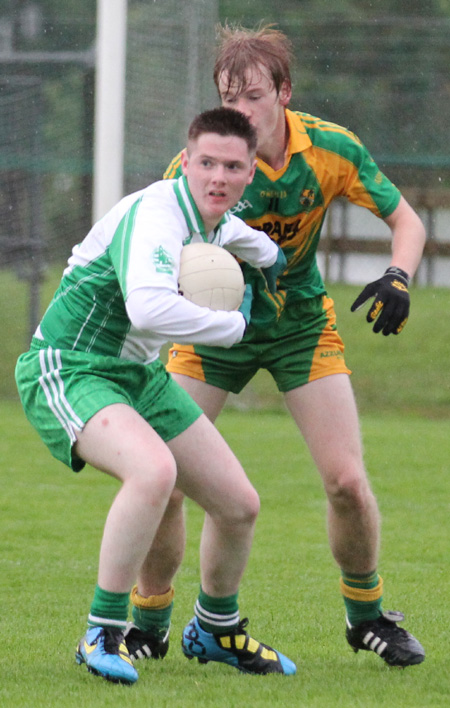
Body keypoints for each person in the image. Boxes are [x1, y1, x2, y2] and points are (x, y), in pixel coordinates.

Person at [128, 25, 427, 669]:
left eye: (252, 98)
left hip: (298, 327)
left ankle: (366, 615)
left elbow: (407, 220)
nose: (238, 113)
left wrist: (399, 275)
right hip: (211, 329)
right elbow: (159, 248)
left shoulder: (329, 151)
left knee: (347, 481)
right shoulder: (196, 167)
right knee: (166, 475)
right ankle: (150, 622)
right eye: (226, 99)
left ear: (284, 94)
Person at [15, 106, 296, 685]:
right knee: (153, 473)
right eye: (207, 163)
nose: (218, 176)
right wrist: (235, 325)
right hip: (69, 367)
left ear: (250, 175)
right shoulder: (157, 215)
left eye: (233, 167)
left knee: (239, 504)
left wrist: (271, 258)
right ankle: (102, 630)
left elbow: (243, 237)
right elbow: (148, 307)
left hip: (139, 377)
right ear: (186, 163)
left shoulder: (214, 218)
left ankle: (216, 629)